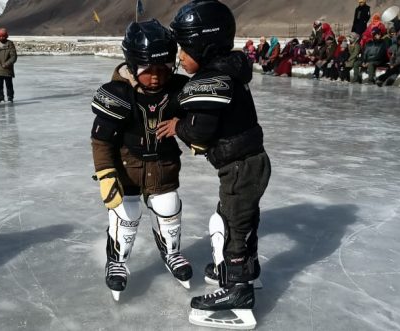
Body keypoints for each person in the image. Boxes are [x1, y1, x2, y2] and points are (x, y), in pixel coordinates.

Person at [157, 1, 271, 328]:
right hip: (250, 162)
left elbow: (200, 135)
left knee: (235, 224)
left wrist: (177, 126)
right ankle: (246, 272)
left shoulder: (213, 81)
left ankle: (238, 291)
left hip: (239, 165)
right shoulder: (230, 69)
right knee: (241, 217)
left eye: (183, 49)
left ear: (203, 47)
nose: (179, 57)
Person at [90, 19, 192, 301]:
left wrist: (185, 127)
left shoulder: (180, 89)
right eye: (149, 70)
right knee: (126, 214)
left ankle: (172, 253)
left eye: (164, 68)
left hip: (164, 165)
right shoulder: (118, 93)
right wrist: (106, 173)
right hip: (128, 167)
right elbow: (101, 140)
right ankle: (117, 261)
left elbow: (201, 117)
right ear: (133, 64)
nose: (157, 77)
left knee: (168, 207)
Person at [0, 28, 17, 103]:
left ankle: (10, 97)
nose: (1, 38)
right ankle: (0, 97)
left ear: (6, 36)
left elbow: (14, 57)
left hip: (7, 69)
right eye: (0, 36)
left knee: (9, 85)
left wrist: (7, 64)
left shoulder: (10, 44)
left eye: (3, 36)